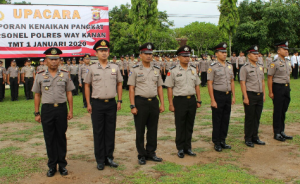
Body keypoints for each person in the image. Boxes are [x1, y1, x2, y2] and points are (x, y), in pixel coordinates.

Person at [32, 47, 74, 177]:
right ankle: (51, 165)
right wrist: (37, 113)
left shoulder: (65, 74)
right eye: (51, 59)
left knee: (61, 137)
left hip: (61, 109)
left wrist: (71, 110)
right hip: (47, 110)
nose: (54, 62)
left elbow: (69, 93)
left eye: (56, 59)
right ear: (46, 61)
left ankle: (62, 165)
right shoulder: (39, 75)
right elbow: (37, 95)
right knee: (49, 138)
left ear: (60, 60)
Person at [84, 40, 123, 170]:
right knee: (98, 132)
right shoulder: (93, 68)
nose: (104, 53)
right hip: (97, 104)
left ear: (108, 52)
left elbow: (119, 83)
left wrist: (119, 100)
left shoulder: (115, 67)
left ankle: (109, 157)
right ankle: (100, 159)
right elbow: (87, 85)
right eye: (101, 51)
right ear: (96, 53)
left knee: (110, 131)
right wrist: (88, 103)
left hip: (111, 103)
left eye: (106, 50)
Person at [128, 43, 165, 165]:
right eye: (146, 54)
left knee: (153, 129)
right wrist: (133, 105)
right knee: (140, 130)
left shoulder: (156, 70)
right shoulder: (135, 70)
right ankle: (141, 154)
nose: (149, 56)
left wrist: (162, 103)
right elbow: (131, 88)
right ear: (141, 55)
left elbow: (159, 87)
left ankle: (151, 152)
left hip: (153, 102)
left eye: (150, 54)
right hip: (140, 102)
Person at [165, 45, 201, 158]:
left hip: (192, 100)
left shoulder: (193, 70)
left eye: (188, 56)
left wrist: (199, 100)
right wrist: (171, 104)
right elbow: (169, 88)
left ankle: (188, 147)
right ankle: (180, 148)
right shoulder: (173, 71)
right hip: (179, 100)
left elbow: (197, 86)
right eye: (184, 56)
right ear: (178, 57)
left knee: (189, 124)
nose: (187, 58)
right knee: (180, 125)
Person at [207, 42, 235, 152]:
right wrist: (213, 100)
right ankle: (216, 142)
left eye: (225, 52)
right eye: (222, 52)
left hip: (228, 95)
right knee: (217, 119)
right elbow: (210, 83)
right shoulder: (212, 67)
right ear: (216, 54)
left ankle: (223, 140)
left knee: (226, 119)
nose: (224, 54)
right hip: (218, 95)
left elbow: (232, 81)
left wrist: (233, 95)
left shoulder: (229, 66)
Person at [239, 45, 266, 147]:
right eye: (254, 54)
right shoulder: (245, 68)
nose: (256, 56)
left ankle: (255, 137)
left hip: (259, 95)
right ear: (249, 55)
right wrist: (245, 97)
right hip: (250, 94)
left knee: (257, 117)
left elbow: (263, 81)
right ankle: (248, 138)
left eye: (257, 54)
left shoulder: (260, 66)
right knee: (250, 117)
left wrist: (263, 94)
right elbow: (242, 83)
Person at [267, 41, 293, 142]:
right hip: (278, 88)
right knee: (278, 110)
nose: (286, 51)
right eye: (284, 49)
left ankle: (282, 131)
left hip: (286, 88)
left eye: (287, 49)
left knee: (283, 110)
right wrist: (270, 92)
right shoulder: (274, 63)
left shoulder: (287, 61)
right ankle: (276, 132)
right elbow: (270, 77)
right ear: (278, 51)